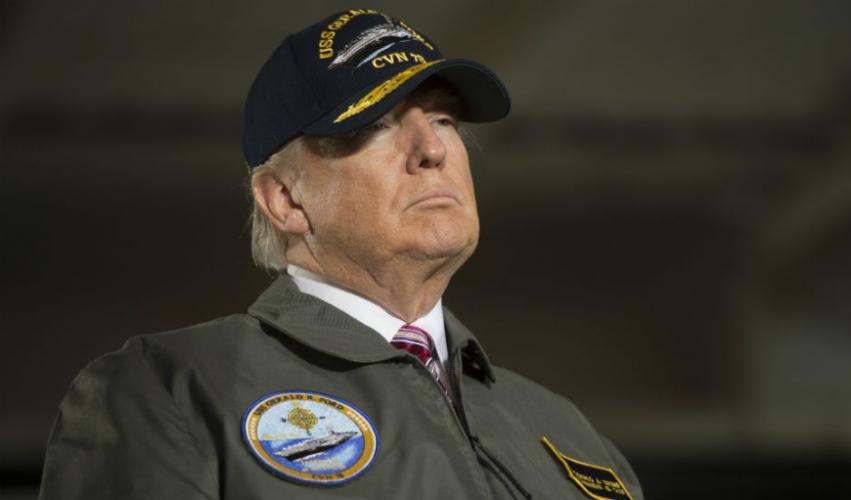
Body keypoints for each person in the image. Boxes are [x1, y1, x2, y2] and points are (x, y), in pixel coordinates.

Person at [39, 9, 645, 500]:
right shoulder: (170, 391)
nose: (432, 149)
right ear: (285, 199)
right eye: (377, 124)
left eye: (444, 119)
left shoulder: (569, 433)